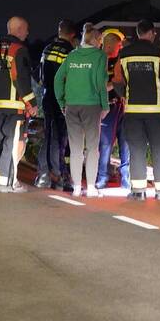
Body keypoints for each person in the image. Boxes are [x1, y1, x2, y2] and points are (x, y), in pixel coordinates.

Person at [111, 19, 160, 201]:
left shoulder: (124, 53)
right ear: (151, 33)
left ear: (139, 33)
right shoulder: (158, 52)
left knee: (136, 149)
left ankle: (138, 191)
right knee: (159, 149)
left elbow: (116, 80)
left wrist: (125, 94)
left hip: (133, 112)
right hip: (156, 112)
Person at [0, 16, 37, 193]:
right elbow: (21, 79)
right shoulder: (19, 50)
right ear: (19, 30)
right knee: (11, 144)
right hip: (15, 105)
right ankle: (8, 183)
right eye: (26, 29)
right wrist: (32, 103)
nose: (27, 33)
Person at [55, 25, 109, 197]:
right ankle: (91, 187)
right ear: (94, 40)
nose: (101, 44)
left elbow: (58, 79)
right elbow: (101, 82)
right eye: (100, 40)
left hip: (71, 105)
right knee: (92, 147)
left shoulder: (72, 56)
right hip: (91, 105)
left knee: (76, 147)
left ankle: (77, 187)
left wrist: (62, 102)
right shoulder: (100, 56)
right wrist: (105, 105)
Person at [35, 19, 78, 190]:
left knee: (49, 134)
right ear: (72, 34)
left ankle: (44, 174)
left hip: (47, 97)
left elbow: (39, 77)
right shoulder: (70, 52)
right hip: (63, 99)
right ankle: (59, 176)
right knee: (60, 139)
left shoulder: (46, 49)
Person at [95, 28, 130, 190]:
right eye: (118, 45)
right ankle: (102, 177)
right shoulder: (98, 61)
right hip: (106, 108)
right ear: (109, 44)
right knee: (106, 143)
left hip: (122, 106)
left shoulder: (120, 61)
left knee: (126, 142)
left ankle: (126, 179)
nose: (120, 48)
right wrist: (113, 86)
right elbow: (97, 86)